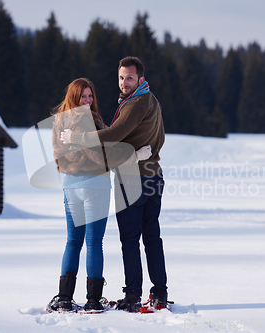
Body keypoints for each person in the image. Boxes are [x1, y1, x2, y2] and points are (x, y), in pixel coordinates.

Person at [61, 57, 169, 312]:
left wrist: (78, 138)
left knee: (130, 239)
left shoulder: (136, 103)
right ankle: (160, 293)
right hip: (154, 175)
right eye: (121, 77)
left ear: (140, 79)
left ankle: (133, 296)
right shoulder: (152, 100)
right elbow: (160, 137)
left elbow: (113, 135)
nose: (124, 82)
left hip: (133, 177)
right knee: (152, 237)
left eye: (129, 77)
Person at [47, 78, 152, 312]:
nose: (87, 100)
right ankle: (93, 300)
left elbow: (58, 156)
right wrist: (135, 156)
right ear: (73, 97)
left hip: (71, 185)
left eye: (90, 96)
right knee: (93, 242)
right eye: (83, 96)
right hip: (95, 186)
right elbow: (100, 157)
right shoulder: (89, 121)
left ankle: (64, 297)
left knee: (73, 242)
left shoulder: (60, 121)